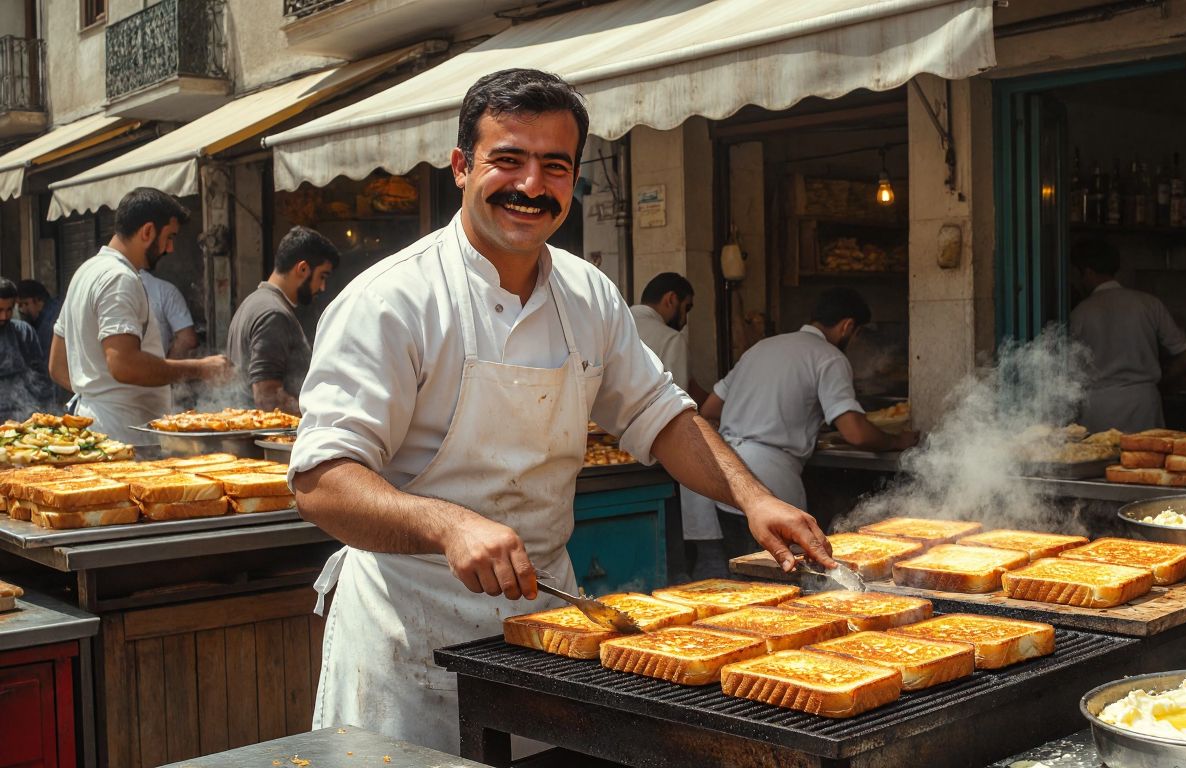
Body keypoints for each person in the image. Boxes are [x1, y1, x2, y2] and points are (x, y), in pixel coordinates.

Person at [289, 68, 833, 753]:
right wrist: (449, 525)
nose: (531, 186)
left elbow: (659, 413)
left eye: (555, 166)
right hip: (410, 632)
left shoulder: (589, 294)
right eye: (507, 160)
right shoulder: (391, 302)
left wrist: (753, 498)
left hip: (549, 619)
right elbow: (321, 480)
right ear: (462, 167)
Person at [689, 287, 920, 559]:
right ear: (847, 326)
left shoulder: (761, 348)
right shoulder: (829, 357)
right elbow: (855, 432)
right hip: (772, 483)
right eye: (857, 335)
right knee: (780, 575)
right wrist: (897, 441)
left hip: (728, 477)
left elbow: (710, 408)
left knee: (742, 571)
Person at [49, 188, 232, 444]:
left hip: (98, 429)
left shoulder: (85, 271)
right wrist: (201, 368)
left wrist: (96, 393)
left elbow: (57, 365)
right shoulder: (119, 278)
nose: (170, 248)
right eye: (169, 237)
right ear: (147, 231)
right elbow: (122, 363)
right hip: (126, 437)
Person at [1069, 239, 1186, 433]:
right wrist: (1163, 382)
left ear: (1087, 272)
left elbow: (1071, 371)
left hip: (1098, 408)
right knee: (1146, 460)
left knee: (1100, 460)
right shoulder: (1149, 304)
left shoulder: (1080, 313)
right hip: (1143, 405)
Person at [226, 226, 339, 413]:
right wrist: (317, 416)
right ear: (302, 269)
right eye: (322, 276)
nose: (322, 287)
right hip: (264, 440)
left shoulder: (255, 302)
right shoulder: (273, 313)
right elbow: (267, 397)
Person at [629, 272, 707, 402]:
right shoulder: (672, 340)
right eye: (686, 308)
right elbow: (676, 404)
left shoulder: (616, 324)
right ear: (671, 299)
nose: (685, 322)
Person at [0, 278, 50, 420]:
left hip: (23, 416)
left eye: (9, 310)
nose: (4, 316)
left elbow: (40, 376)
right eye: (0, 310)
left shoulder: (24, 332)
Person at [138, 268, 197, 358]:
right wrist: (166, 368)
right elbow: (187, 339)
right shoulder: (164, 290)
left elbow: (187, 339)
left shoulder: (112, 289)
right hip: (156, 367)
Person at [15, 280, 61, 360]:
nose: (23, 309)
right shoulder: (55, 308)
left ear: (38, 301)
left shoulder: (47, 324)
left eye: (25, 304)